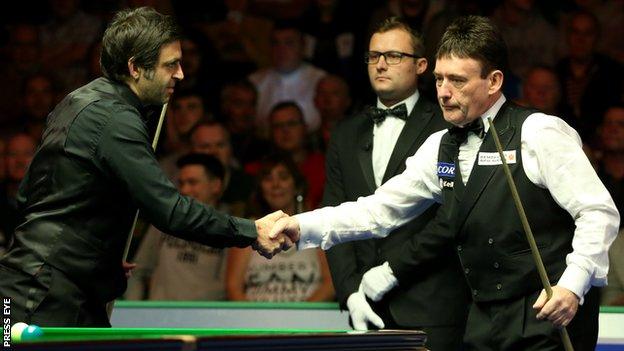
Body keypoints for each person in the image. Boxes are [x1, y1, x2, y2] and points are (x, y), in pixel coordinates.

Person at [271, 15, 619, 351]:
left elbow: (598, 212)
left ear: (494, 81)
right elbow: (377, 211)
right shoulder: (441, 145)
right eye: (439, 80)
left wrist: (572, 286)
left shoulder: (539, 132)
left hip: (549, 311)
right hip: (482, 319)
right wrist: (299, 226)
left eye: (458, 81)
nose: (444, 92)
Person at [0, 7, 288, 328]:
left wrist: (97, 257)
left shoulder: (77, 101)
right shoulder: (115, 119)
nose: (180, 74)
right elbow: (169, 210)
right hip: (45, 296)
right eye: (170, 65)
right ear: (135, 67)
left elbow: (33, 198)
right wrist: (251, 230)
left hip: (44, 283)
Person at [323, 17, 468, 351]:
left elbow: (450, 220)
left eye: (393, 56)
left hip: (433, 306)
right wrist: (350, 292)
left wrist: (391, 272)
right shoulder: (345, 133)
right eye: (374, 56)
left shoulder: (446, 128)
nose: (381, 64)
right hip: (365, 309)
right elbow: (334, 214)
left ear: (420, 65)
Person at [227, 153, 334, 302]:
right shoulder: (247, 229)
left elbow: (330, 284)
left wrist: (298, 318)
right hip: (256, 322)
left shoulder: (314, 225)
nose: (276, 185)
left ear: (296, 186)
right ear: (260, 188)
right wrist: (256, 321)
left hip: (309, 321)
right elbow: (233, 288)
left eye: (283, 177)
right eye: (268, 179)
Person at [126, 154, 229, 301]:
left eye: (192, 182)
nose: (185, 190)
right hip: (160, 318)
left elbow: (231, 286)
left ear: (216, 185)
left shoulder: (229, 228)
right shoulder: (164, 221)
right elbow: (138, 271)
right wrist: (135, 311)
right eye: (181, 183)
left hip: (207, 319)